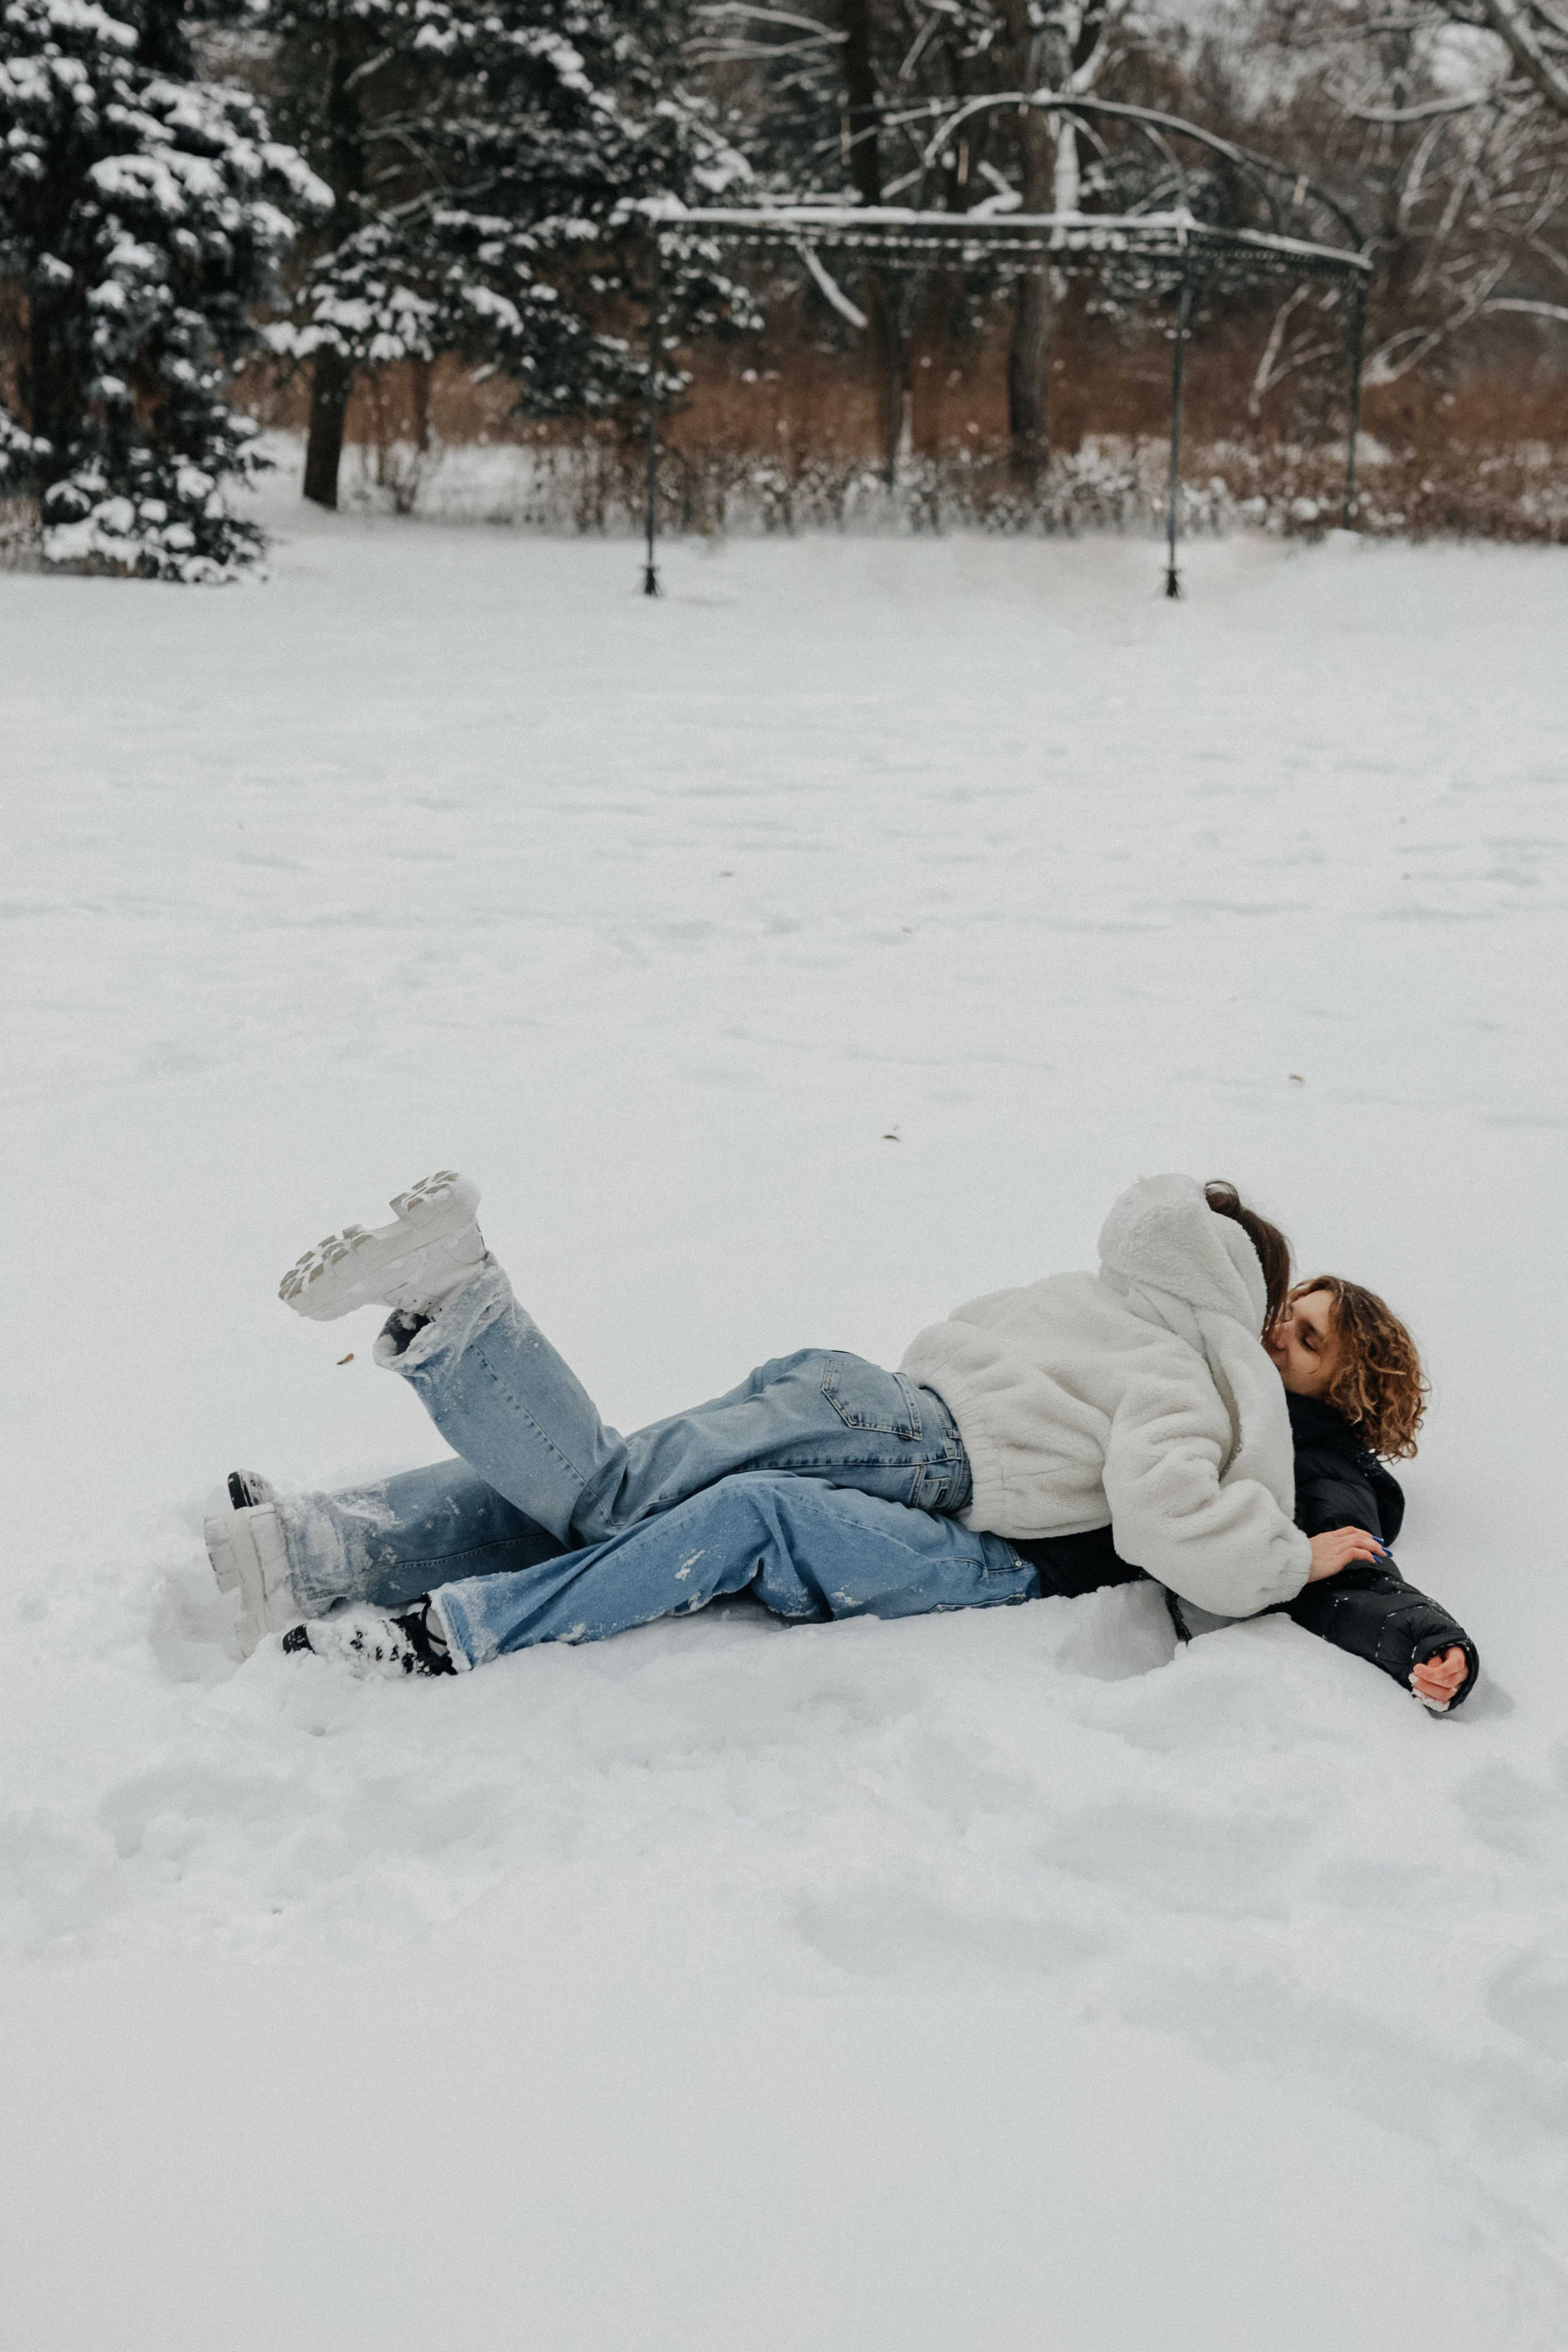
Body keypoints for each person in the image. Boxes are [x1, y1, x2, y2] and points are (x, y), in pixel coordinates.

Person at [208, 1166, 1446, 1697]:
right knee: (618, 1495)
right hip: (929, 1460)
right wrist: (1288, 1560)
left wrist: (1398, 1618)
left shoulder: (1151, 1332)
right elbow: (1183, 1510)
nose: (1280, 1329)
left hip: (868, 1397)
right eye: (1283, 1311)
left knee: (625, 1475)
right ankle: (460, 1308)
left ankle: (314, 1547)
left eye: (1309, 1335)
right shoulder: (1193, 1370)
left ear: (1340, 1391)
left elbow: (1345, 1521)